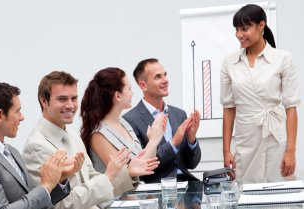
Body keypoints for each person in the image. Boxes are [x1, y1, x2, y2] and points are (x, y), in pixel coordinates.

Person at [22, 71, 159, 209]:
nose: (70, 105)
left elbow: (94, 178)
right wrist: (108, 177)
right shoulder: (37, 146)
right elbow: (64, 205)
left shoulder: (73, 137)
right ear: (43, 101)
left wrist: (126, 173)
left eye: (74, 98)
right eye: (62, 99)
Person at [221, 4, 300, 182]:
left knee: (281, 194)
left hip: (276, 136)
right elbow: (228, 107)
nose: (239, 34)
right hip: (246, 137)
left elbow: (291, 107)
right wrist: (226, 150)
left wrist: (291, 150)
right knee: (246, 194)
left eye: (244, 28)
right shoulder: (230, 62)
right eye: (236, 29)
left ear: (261, 25)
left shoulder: (282, 59)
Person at [80, 67, 165, 194]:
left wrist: (153, 140)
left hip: (134, 198)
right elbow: (124, 175)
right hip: (114, 205)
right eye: (129, 89)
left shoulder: (123, 122)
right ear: (118, 96)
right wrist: (153, 141)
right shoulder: (98, 135)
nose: (132, 93)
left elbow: (146, 166)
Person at [123, 58, 202, 183]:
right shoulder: (130, 120)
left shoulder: (179, 114)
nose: (165, 80)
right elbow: (142, 168)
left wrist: (191, 139)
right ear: (143, 85)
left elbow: (192, 164)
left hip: (187, 185)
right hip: (156, 189)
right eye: (158, 77)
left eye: (165, 75)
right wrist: (174, 142)